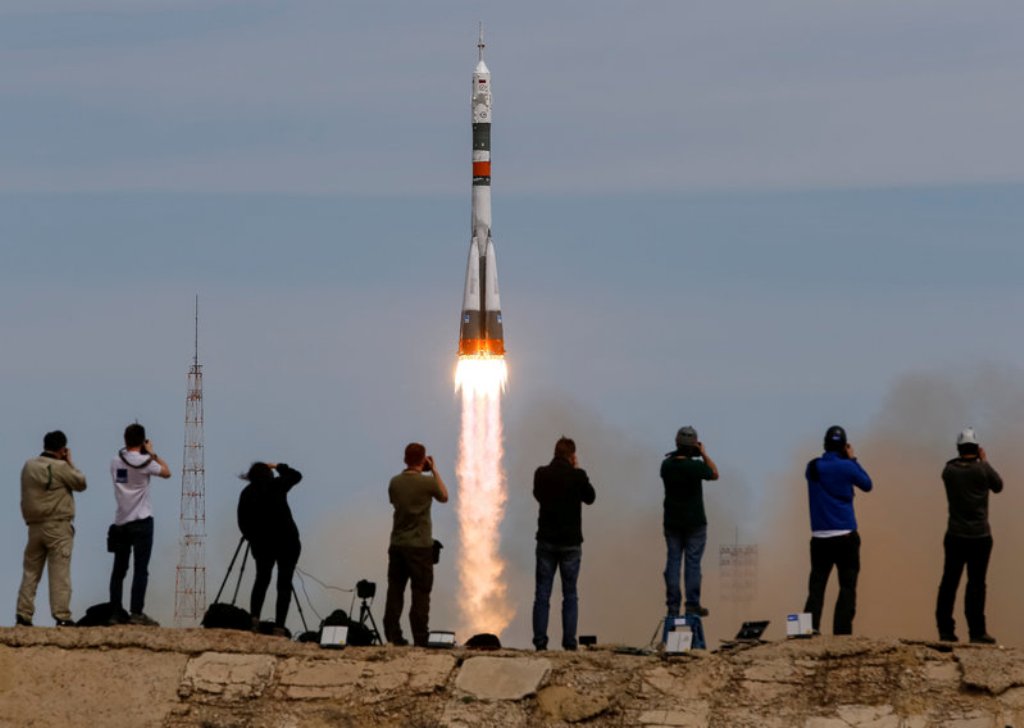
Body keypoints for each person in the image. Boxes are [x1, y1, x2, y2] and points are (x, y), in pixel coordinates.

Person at [803, 425, 873, 636]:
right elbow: (867, 484)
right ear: (843, 446)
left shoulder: (812, 467)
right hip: (845, 536)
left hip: (819, 538)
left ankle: (808, 628)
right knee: (847, 586)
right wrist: (852, 459)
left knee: (816, 585)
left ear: (825, 444)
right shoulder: (848, 467)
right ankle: (841, 633)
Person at [935, 428, 1003, 644]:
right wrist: (984, 461)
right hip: (980, 537)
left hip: (955, 535)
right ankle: (977, 632)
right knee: (976, 584)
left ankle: (945, 630)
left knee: (949, 582)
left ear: (958, 448)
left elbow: (954, 468)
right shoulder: (982, 470)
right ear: (977, 448)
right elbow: (998, 486)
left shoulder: (949, 471)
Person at [16, 430, 87, 627]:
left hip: (34, 527)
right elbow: (81, 483)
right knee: (59, 573)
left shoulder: (29, 466)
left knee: (30, 572)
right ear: (62, 449)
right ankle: (61, 615)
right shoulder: (61, 467)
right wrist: (70, 462)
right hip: (58, 526)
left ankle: (23, 614)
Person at [532, 436, 596, 651]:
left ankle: (540, 642)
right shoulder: (577, 476)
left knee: (542, 594)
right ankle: (569, 642)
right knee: (570, 594)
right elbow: (590, 497)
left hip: (546, 542)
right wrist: (577, 471)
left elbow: (538, 495)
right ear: (572, 455)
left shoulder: (541, 474)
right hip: (570, 544)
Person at [383, 443, 449, 647]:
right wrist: (434, 470)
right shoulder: (427, 483)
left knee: (395, 591)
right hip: (420, 547)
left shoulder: (395, 482)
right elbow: (444, 496)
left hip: (397, 544)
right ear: (423, 460)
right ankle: (420, 637)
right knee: (420, 593)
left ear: (405, 459)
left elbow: (394, 502)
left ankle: (393, 635)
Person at [108, 423, 171, 626]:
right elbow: (167, 472)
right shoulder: (146, 462)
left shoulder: (115, 461)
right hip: (142, 521)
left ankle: (115, 612)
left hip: (121, 521)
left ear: (125, 439)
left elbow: (123, 474)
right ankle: (136, 613)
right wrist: (152, 453)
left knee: (119, 570)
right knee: (140, 569)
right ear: (143, 441)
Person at [237, 462, 303, 635]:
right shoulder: (277, 485)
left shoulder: (247, 492)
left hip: (263, 545)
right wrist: (278, 466)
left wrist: (254, 539)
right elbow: (296, 476)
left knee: (261, 580)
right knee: (284, 584)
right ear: (269, 474)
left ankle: (254, 620)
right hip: (287, 542)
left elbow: (242, 522)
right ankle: (279, 627)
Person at [661, 426, 719, 620]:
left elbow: (675, 461)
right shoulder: (694, 467)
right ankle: (692, 605)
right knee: (693, 564)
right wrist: (703, 454)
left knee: (673, 562)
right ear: (693, 445)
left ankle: (673, 607)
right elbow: (714, 473)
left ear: (676, 443)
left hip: (672, 523)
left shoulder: (666, 466)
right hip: (695, 523)